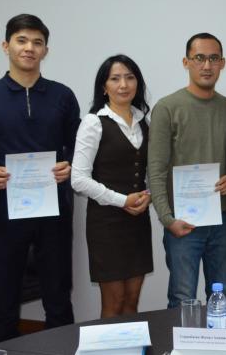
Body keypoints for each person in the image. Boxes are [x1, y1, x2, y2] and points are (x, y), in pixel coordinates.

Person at [0, 14, 81, 343]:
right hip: (6, 209)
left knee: (58, 295)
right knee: (3, 296)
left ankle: (60, 349)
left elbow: (78, 146)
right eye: (21, 40)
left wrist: (69, 165)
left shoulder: (63, 96)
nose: (29, 48)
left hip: (54, 210)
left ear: (46, 50)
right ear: (6, 46)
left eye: (37, 42)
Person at [148, 33, 226, 308]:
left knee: (222, 299)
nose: (207, 65)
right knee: (182, 298)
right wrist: (167, 219)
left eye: (213, 58)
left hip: (222, 219)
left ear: (222, 63)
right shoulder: (167, 108)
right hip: (183, 222)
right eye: (199, 58)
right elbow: (156, 169)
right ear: (186, 62)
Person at [71, 55, 153, 318]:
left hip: (138, 222)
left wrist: (149, 195)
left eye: (130, 77)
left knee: (132, 301)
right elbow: (78, 179)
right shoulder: (93, 122)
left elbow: (151, 171)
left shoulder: (144, 121)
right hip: (106, 224)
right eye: (115, 79)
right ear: (104, 87)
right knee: (113, 302)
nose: (123, 85)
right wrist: (122, 200)